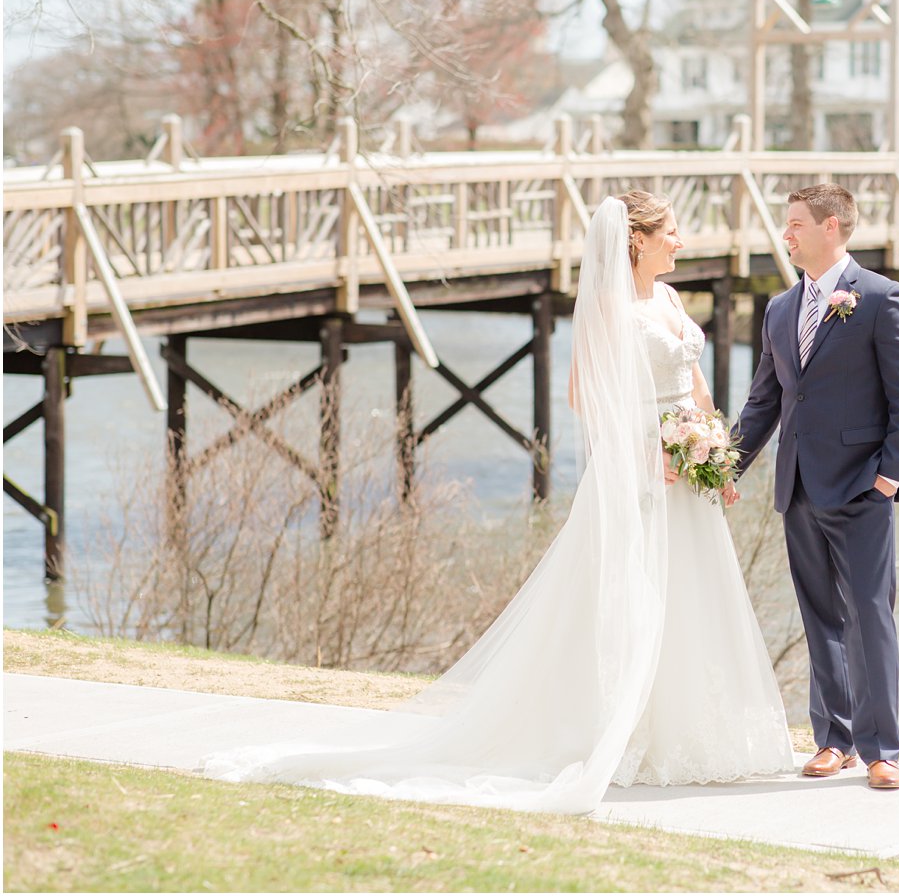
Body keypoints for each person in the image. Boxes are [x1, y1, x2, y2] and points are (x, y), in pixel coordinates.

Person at [203, 192, 794, 812]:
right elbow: (581, 396)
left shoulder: (672, 300)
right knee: (626, 591)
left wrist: (718, 453)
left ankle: (690, 733)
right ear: (638, 239)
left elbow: (694, 384)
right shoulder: (604, 306)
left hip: (688, 470)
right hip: (638, 470)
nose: (681, 241)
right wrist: (642, 451)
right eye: (672, 231)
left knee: (692, 594)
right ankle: (617, 732)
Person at [732, 183, 899, 791]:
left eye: (796, 224)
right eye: (786, 224)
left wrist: (888, 477)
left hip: (860, 488)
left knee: (871, 616)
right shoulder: (780, 309)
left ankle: (882, 751)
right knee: (821, 618)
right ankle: (833, 741)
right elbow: (767, 399)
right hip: (796, 488)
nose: (786, 234)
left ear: (832, 228)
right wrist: (722, 466)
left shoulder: (882, 298)